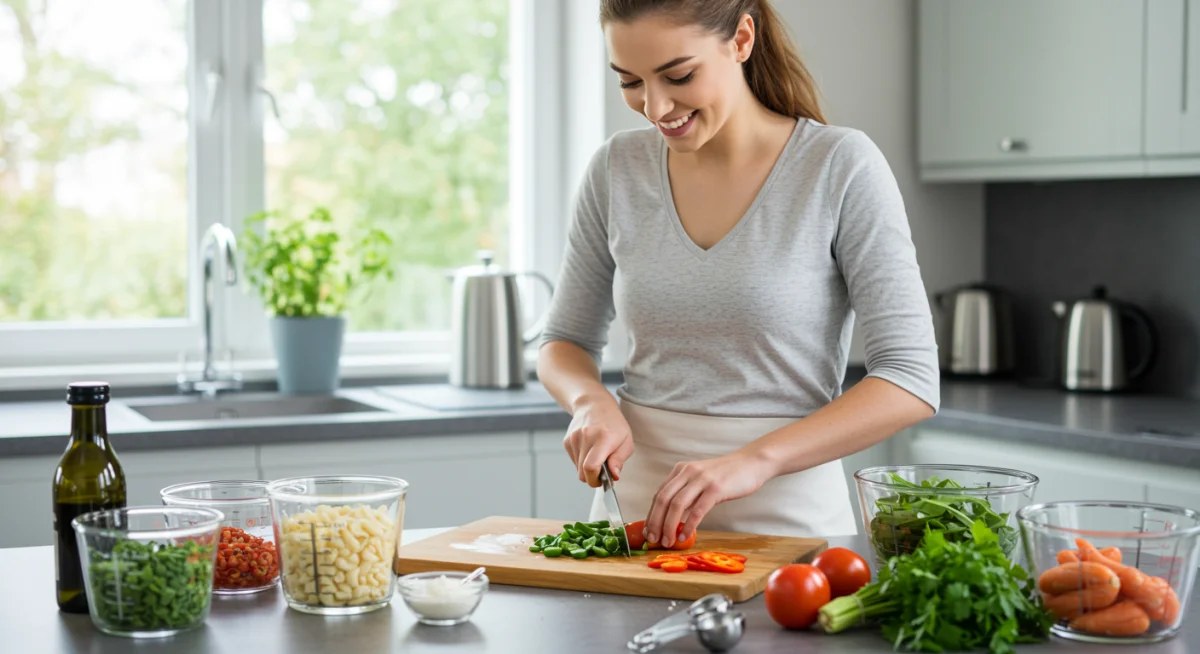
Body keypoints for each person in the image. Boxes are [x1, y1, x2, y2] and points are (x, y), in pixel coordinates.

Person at [537, 0, 940, 548]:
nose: (655, 107)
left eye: (678, 75)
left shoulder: (839, 165)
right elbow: (564, 341)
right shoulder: (616, 169)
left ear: (742, 39)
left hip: (789, 526)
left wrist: (755, 460)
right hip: (630, 525)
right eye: (630, 81)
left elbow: (909, 379)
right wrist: (590, 402)